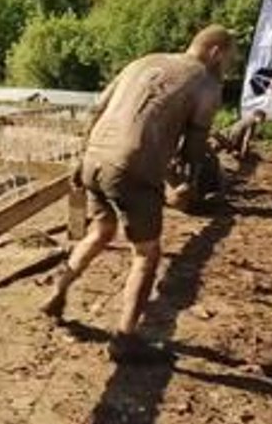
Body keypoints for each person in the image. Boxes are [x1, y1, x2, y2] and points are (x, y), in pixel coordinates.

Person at [40, 24, 234, 363]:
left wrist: (82, 157)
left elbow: (98, 108)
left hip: (96, 158)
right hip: (132, 165)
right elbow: (195, 144)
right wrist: (187, 182)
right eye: (229, 59)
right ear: (216, 52)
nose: (228, 66)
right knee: (146, 254)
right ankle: (125, 338)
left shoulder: (144, 61)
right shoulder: (205, 82)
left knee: (101, 230)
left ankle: (59, 288)